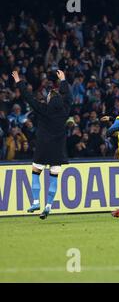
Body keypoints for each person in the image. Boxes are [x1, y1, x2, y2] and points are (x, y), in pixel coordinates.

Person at [12, 70, 72, 219]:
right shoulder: (65, 111)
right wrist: (63, 80)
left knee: (35, 172)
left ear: (50, 99)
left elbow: (28, 97)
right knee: (53, 177)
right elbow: (68, 97)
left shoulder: (43, 109)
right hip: (58, 150)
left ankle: (36, 201)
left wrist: (19, 82)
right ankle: (49, 205)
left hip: (43, 148)